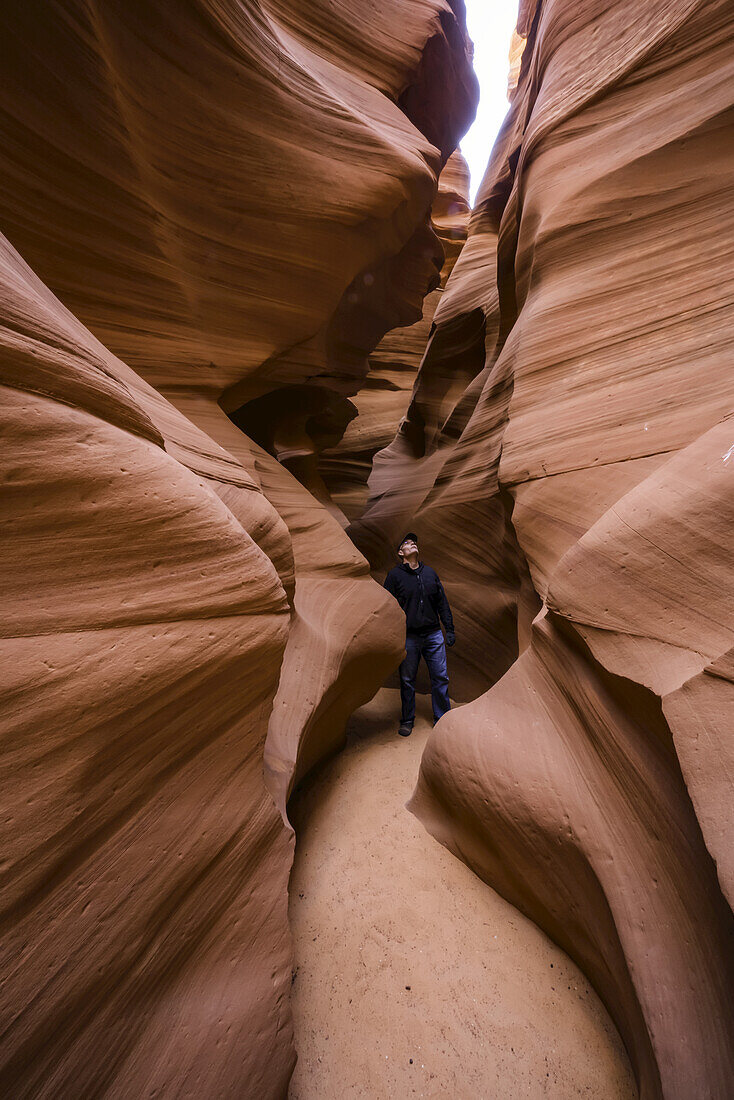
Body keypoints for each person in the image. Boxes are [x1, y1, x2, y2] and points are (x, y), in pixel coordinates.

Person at [383, 532, 455, 737]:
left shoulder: (430, 573)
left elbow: (442, 603)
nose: (412, 543)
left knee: (440, 677)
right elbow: (387, 606)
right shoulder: (394, 576)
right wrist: (392, 636)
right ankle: (407, 720)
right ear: (400, 552)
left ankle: (441, 718)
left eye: (414, 542)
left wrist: (449, 629)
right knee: (407, 680)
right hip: (409, 637)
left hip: (433, 635)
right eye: (407, 542)